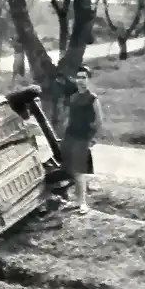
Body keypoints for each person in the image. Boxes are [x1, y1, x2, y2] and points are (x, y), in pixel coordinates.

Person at [60, 66, 104, 214]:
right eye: (78, 77)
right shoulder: (73, 98)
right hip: (70, 136)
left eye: (84, 77)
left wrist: (92, 137)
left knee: (79, 170)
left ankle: (83, 203)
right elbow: (69, 117)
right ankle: (76, 200)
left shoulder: (92, 98)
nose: (81, 81)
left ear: (88, 79)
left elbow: (98, 120)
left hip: (83, 137)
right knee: (70, 169)